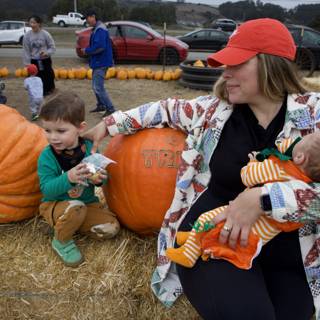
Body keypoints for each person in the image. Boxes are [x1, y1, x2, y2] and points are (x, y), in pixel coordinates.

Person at [83, 19, 320, 320]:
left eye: (236, 64)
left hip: (289, 249)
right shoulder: (213, 111)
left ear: (269, 64)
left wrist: (263, 199)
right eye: (225, 64)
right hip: (212, 239)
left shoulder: (313, 115)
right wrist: (108, 123)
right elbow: (165, 109)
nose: (226, 72)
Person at [166, 133, 320, 269]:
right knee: (213, 226)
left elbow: (248, 176)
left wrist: (253, 162)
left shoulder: (279, 169)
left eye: (301, 139)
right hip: (263, 233)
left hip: (246, 224)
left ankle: (188, 254)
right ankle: (194, 237)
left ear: (300, 158)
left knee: (206, 219)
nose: (294, 139)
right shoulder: (304, 184)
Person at [37, 91, 120, 267]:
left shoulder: (90, 149)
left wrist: (99, 179)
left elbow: (99, 179)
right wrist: (69, 177)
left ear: (80, 128)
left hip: (87, 204)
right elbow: (47, 190)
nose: (53, 137)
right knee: (75, 207)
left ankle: (74, 224)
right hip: (56, 204)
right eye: (47, 130)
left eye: (60, 131)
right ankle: (61, 240)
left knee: (111, 227)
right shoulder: (47, 156)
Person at [81, 9, 115, 118]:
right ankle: (101, 105)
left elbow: (100, 47)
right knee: (95, 86)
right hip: (98, 61)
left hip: (101, 62)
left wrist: (87, 50)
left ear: (93, 16)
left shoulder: (100, 29)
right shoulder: (97, 28)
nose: (86, 21)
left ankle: (111, 109)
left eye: (87, 18)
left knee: (98, 87)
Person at [23, 15, 56, 96]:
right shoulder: (27, 36)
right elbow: (26, 50)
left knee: (48, 77)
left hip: (45, 60)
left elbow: (52, 47)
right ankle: (37, 94)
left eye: (34, 23)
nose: (32, 25)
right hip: (34, 61)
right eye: (30, 22)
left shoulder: (45, 34)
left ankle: (49, 93)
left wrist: (46, 53)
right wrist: (27, 64)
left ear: (39, 24)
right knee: (35, 79)